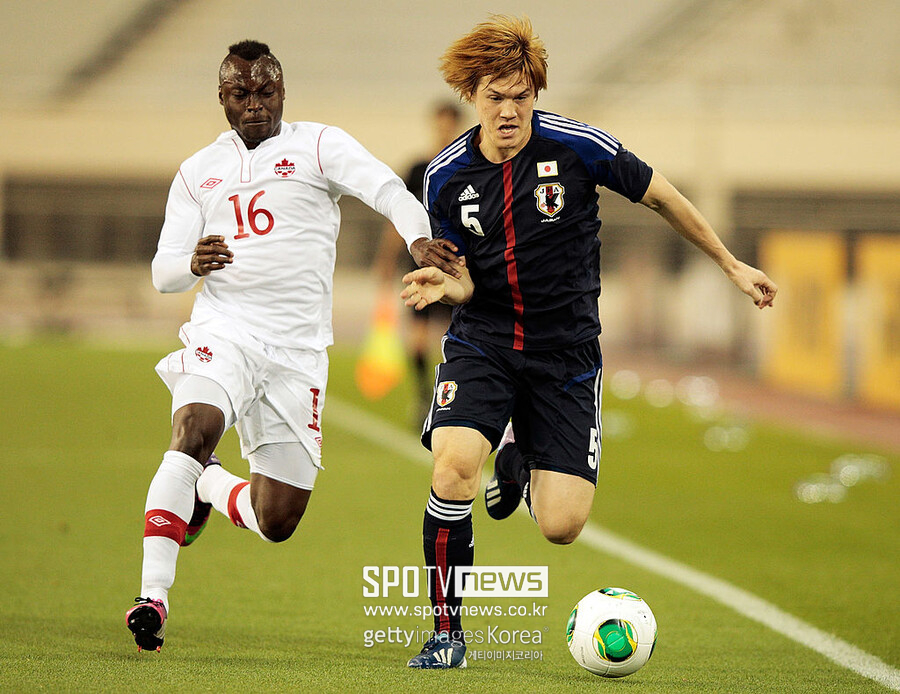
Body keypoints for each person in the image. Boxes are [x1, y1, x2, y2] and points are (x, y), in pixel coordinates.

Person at [400, 15, 777, 669]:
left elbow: (663, 197)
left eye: (522, 95)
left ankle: (516, 458)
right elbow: (462, 278)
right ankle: (446, 634)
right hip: (484, 341)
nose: (510, 110)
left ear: (536, 93)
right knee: (453, 467)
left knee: (561, 526)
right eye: (496, 97)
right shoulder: (445, 176)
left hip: (567, 354)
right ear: (473, 96)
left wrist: (730, 264)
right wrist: (448, 286)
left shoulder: (578, 147)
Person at [125, 40, 458, 652]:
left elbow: (387, 189)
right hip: (223, 332)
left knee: (275, 518)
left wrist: (417, 239)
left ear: (282, 92)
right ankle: (153, 598)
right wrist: (191, 263)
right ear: (222, 98)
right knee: (192, 430)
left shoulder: (319, 146)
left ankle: (207, 485)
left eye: (266, 91)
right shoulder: (198, 171)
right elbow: (162, 271)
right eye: (241, 93)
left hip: (298, 354)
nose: (255, 104)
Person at [371, 103, 464, 421]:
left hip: (455, 264)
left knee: (455, 336)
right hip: (421, 261)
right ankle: (425, 395)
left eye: (449, 125)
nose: (444, 130)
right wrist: (386, 258)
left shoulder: (466, 166)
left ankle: (451, 394)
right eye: (440, 125)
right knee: (418, 337)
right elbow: (398, 217)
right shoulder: (417, 170)